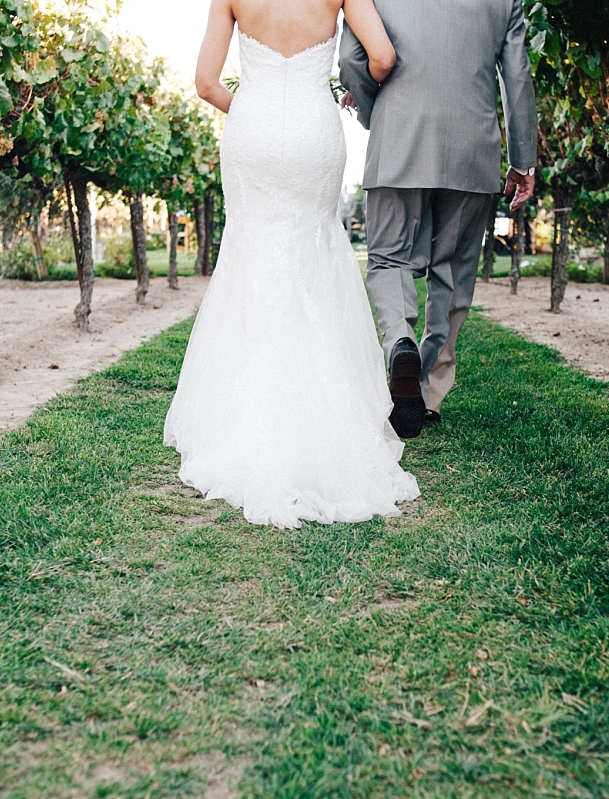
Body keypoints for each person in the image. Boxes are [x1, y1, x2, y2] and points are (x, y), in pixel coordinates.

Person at [164, 0, 419, 528]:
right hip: (314, 129)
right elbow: (384, 55)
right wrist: (352, 94)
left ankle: (243, 417)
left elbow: (207, 84)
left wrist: (256, 109)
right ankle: (325, 415)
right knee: (315, 251)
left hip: (252, 130)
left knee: (251, 250)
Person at [340, 0, 538, 438]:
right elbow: (517, 76)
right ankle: (425, 392)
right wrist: (524, 160)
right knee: (452, 271)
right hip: (474, 149)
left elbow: (353, 59)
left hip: (399, 139)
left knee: (390, 259)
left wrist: (378, 116)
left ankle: (399, 343)